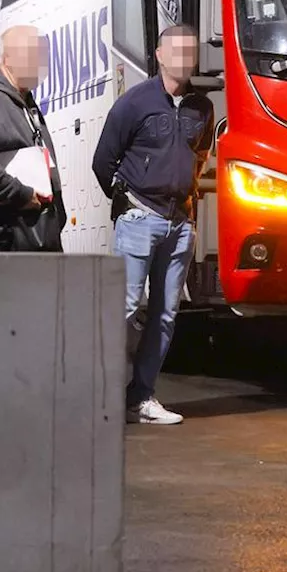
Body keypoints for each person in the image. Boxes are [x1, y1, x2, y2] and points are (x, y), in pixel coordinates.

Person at [92, 25, 214, 426]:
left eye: (190, 52)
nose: (184, 58)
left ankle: (140, 398)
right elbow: (103, 160)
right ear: (159, 55)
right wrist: (127, 203)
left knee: (165, 315)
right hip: (140, 218)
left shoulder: (202, 106)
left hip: (180, 223)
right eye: (175, 51)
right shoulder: (135, 103)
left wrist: (187, 203)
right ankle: (99, 395)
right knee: (123, 309)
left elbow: (201, 155)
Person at [0, 25, 65, 252]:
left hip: (41, 238)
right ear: (7, 59)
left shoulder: (26, 101)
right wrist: (22, 194)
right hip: (12, 242)